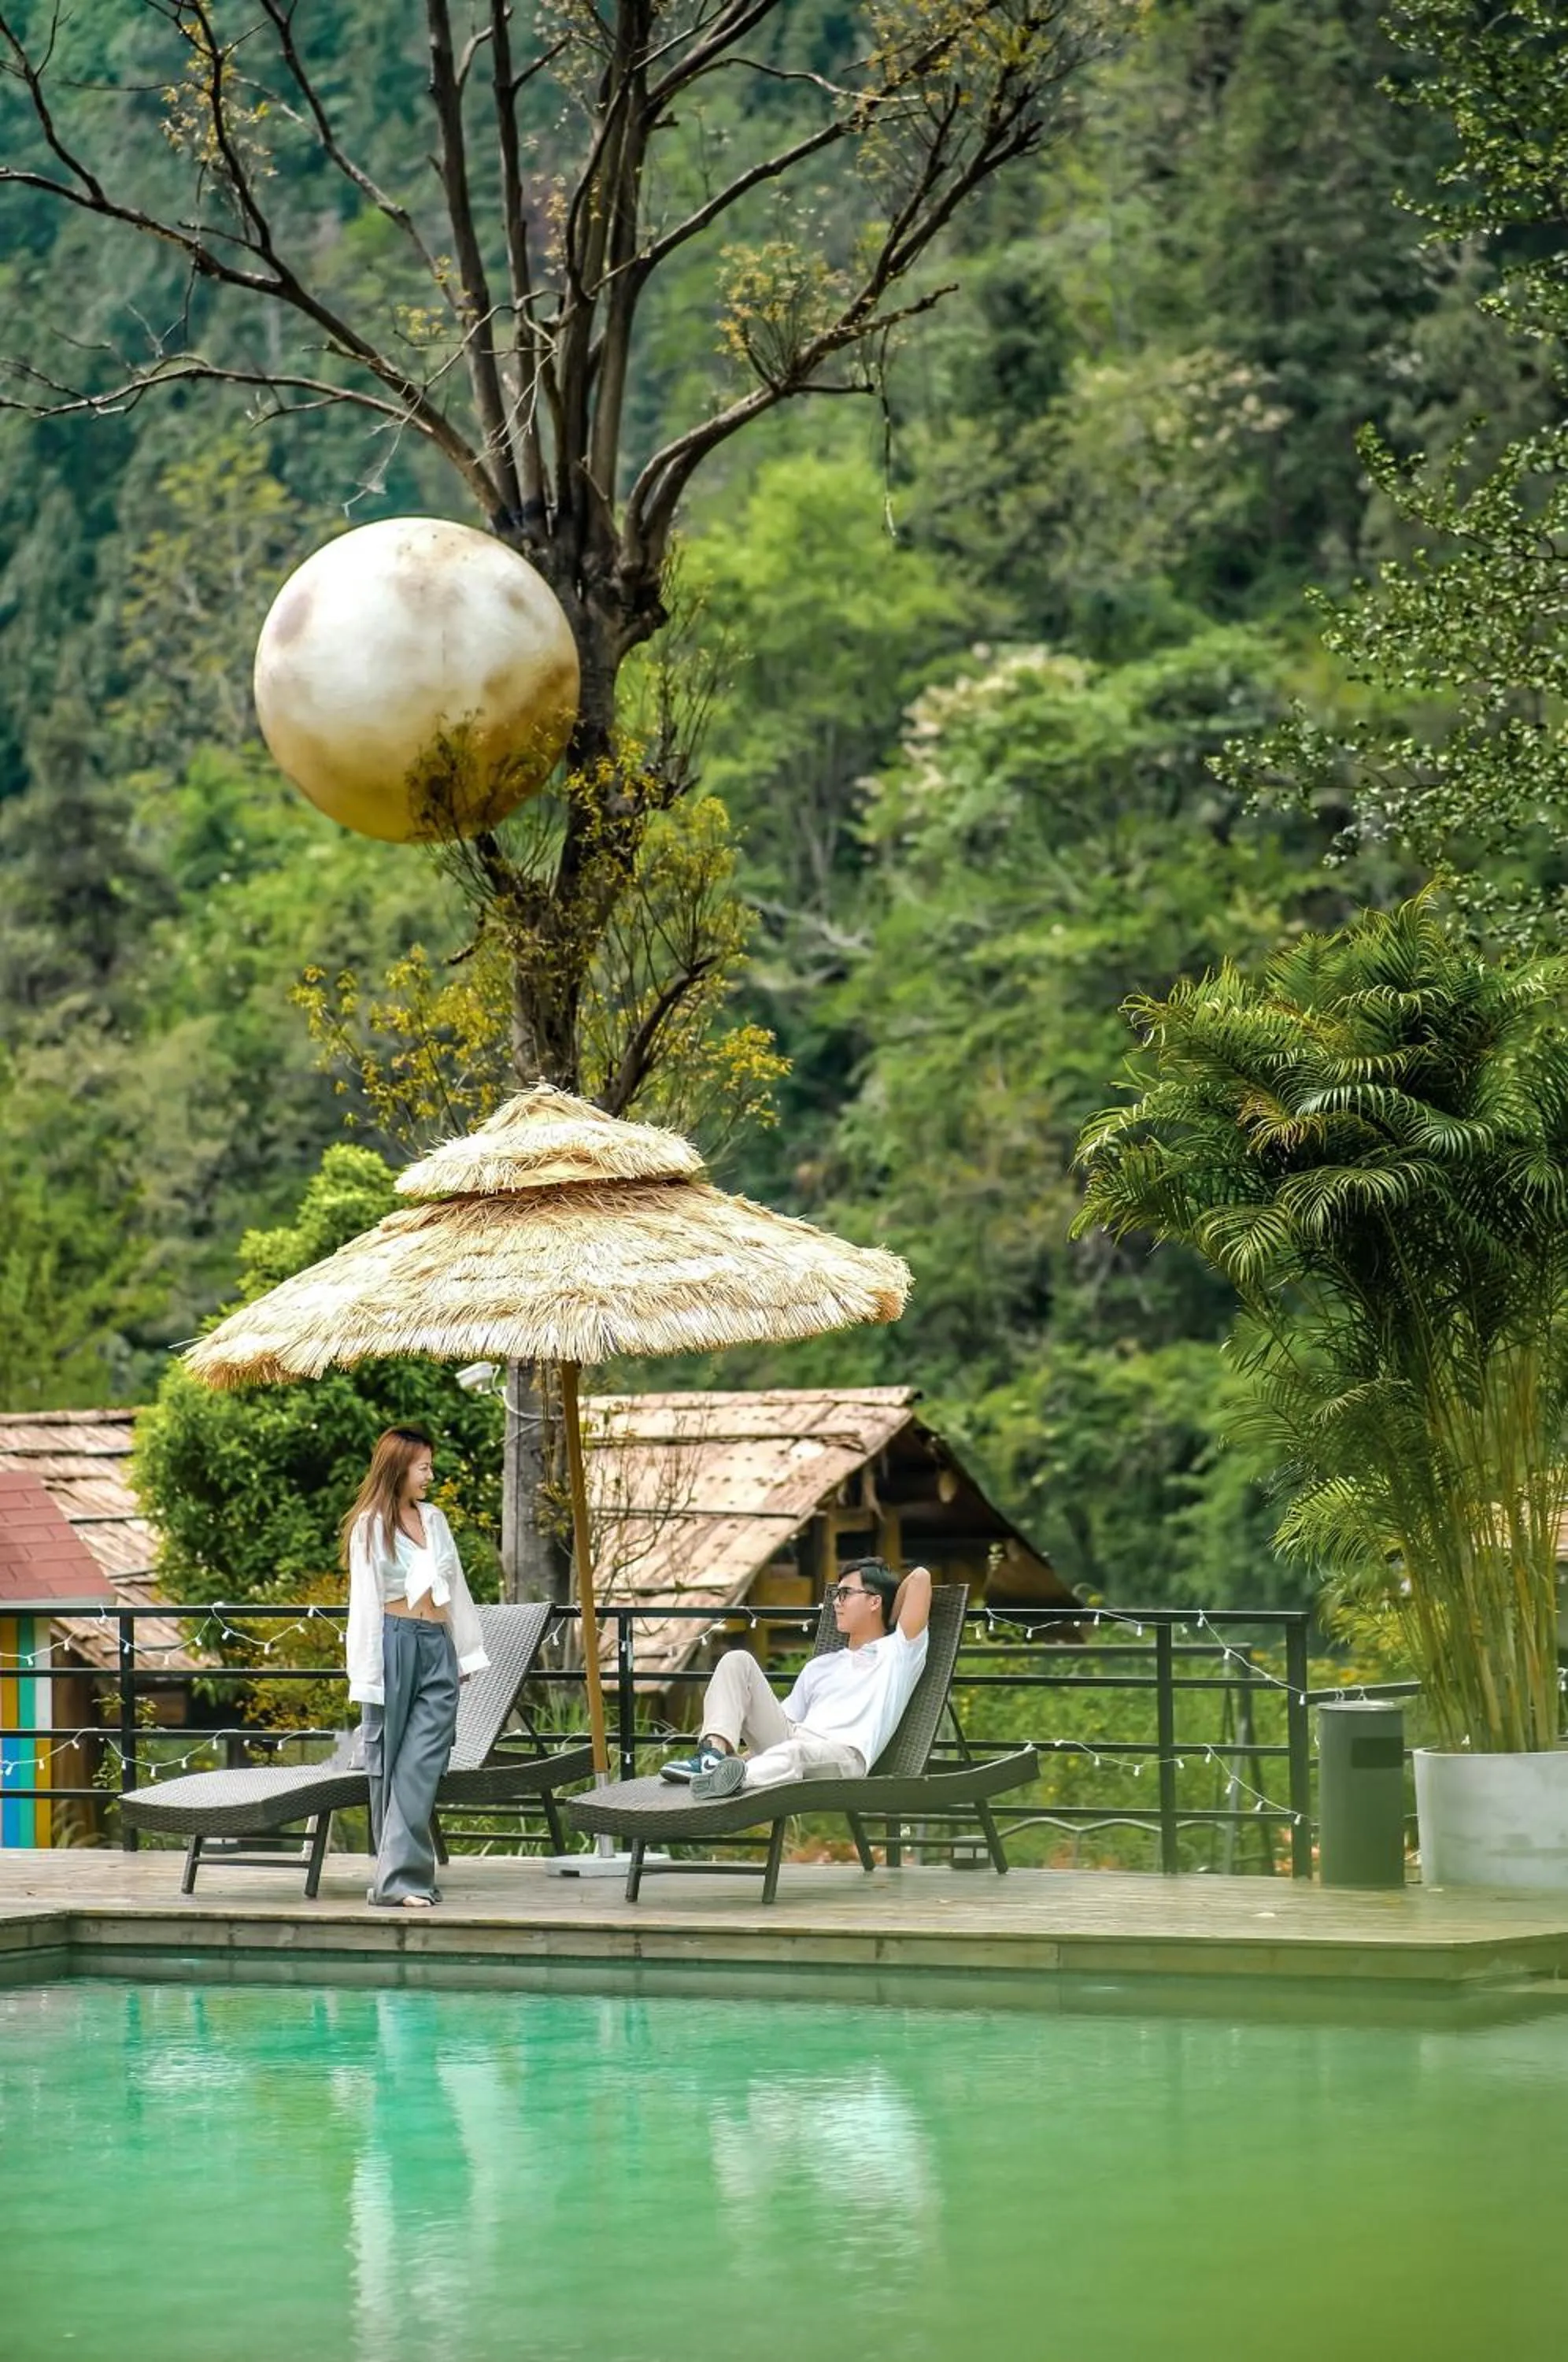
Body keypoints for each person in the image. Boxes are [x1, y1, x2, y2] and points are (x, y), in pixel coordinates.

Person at [343, 1425, 490, 1908]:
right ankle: (400, 1881)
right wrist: (366, 1675)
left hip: (436, 1646)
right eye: (423, 1466)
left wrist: (466, 1651)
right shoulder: (369, 1525)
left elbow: (458, 1587)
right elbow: (363, 1602)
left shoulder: (436, 1519)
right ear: (398, 1469)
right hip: (393, 1644)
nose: (431, 1474)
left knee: (422, 1762)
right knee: (389, 1764)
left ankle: (398, 1878)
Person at [661, 1559, 932, 1800]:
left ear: (875, 1601)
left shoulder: (898, 1652)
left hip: (845, 1756)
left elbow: (920, 1577)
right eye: (837, 1594)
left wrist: (891, 1619)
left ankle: (733, 1778)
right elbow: (786, 1723)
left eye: (846, 1594)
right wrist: (746, 1756)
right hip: (793, 1742)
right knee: (737, 1661)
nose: (836, 1602)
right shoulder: (821, 1666)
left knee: (796, 1752)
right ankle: (712, 1757)